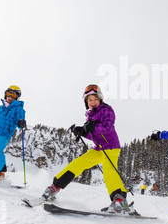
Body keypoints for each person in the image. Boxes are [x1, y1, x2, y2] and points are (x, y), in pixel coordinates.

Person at [40, 84, 131, 214]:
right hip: (98, 149)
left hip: (111, 147)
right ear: (86, 102)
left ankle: (120, 200)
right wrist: (82, 132)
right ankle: (54, 187)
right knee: (78, 164)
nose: (93, 102)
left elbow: (106, 127)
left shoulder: (107, 110)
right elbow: (93, 134)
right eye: (90, 100)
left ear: (100, 99)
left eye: (95, 99)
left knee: (109, 170)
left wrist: (91, 127)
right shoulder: (90, 115)